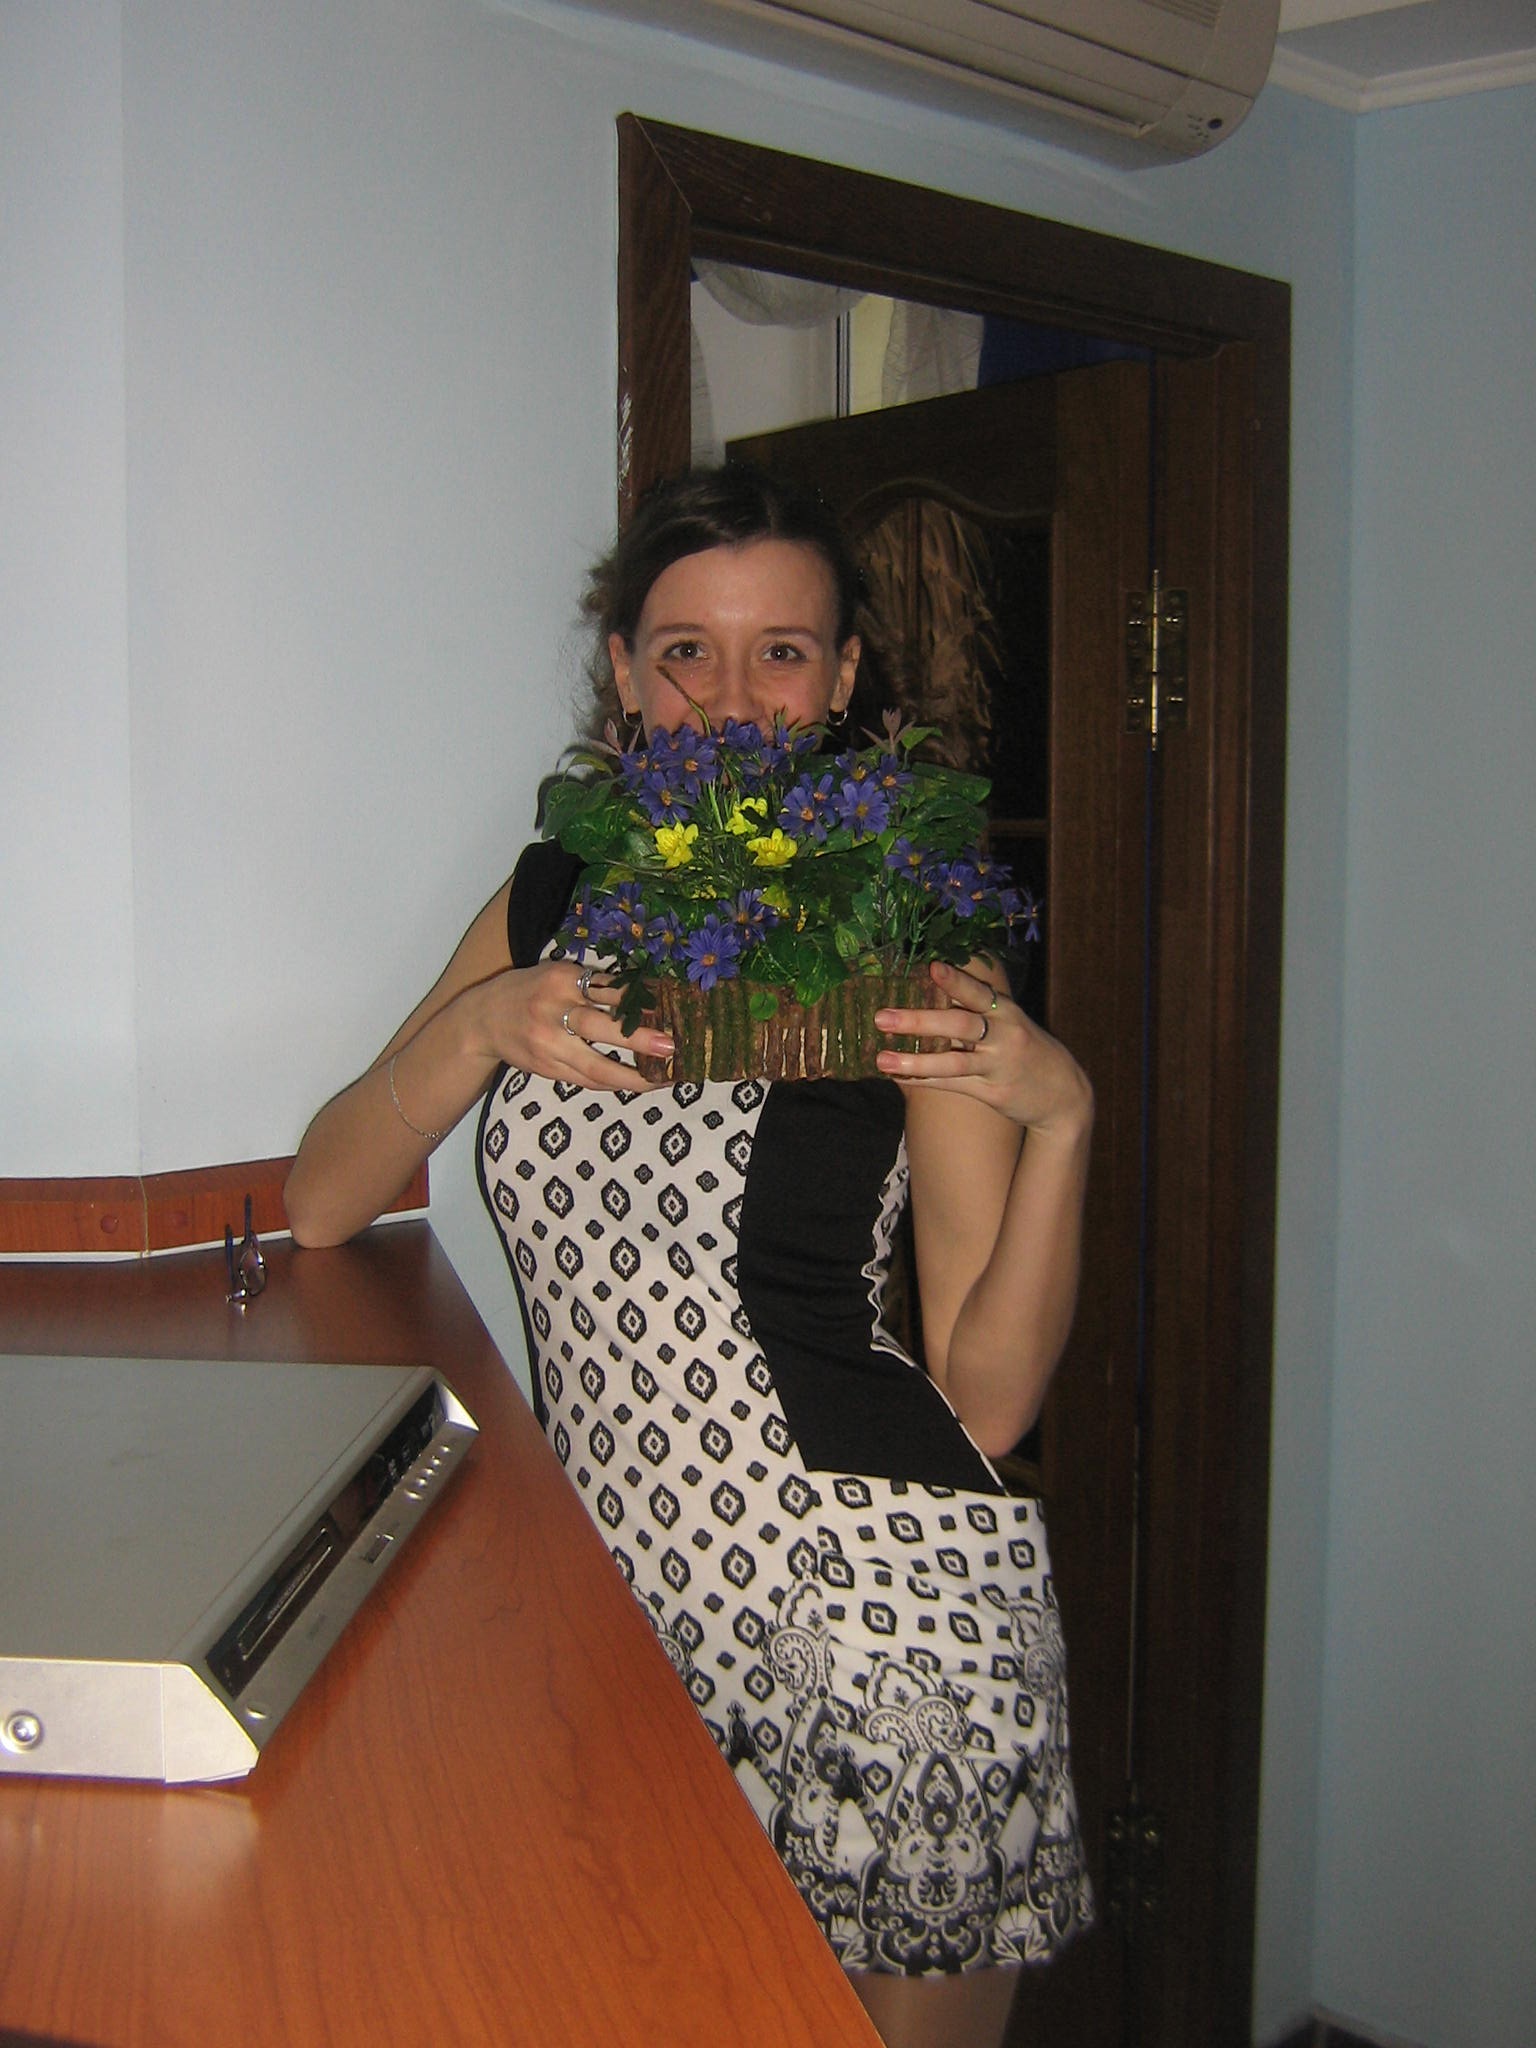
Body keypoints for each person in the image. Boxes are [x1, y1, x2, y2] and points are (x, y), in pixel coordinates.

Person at [285, 465, 1095, 2048]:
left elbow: (986, 1400)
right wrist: (479, 1026)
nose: (730, 701)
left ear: (843, 676)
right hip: (613, 1613)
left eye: (781, 652)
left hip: (878, 1631)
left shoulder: (907, 924)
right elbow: (322, 1201)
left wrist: (1063, 1120)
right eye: (685, 653)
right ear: (624, 671)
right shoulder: (552, 896)